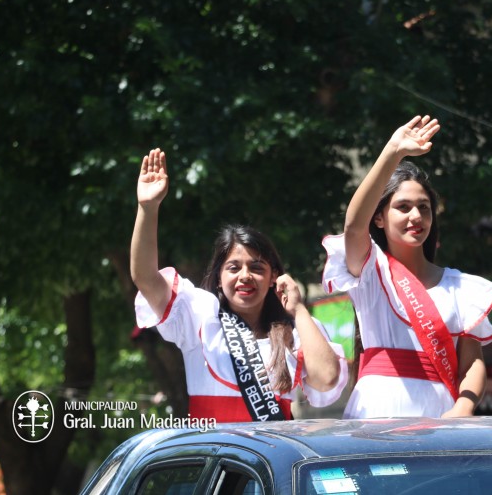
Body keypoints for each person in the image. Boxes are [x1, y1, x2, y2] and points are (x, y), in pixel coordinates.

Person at [131, 148, 348, 422]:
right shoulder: (200, 316)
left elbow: (327, 379)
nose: (245, 276)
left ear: (273, 277)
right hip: (213, 457)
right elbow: (145, 277)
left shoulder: (294, 331)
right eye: (233, 267)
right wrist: (148, 209)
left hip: (270, 461)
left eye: (257, 268)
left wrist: (299, 310)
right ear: (219, 277)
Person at [322, 116, 492, 418]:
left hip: (442, 416)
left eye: (424, 207)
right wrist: (393, 151)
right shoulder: (370, 272)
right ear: (379, 218)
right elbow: (354, 226)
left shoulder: (462, 287)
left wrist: (463, 407)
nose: (415, 216)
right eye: (403, 207)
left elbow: (472, 363)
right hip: (377, 410)